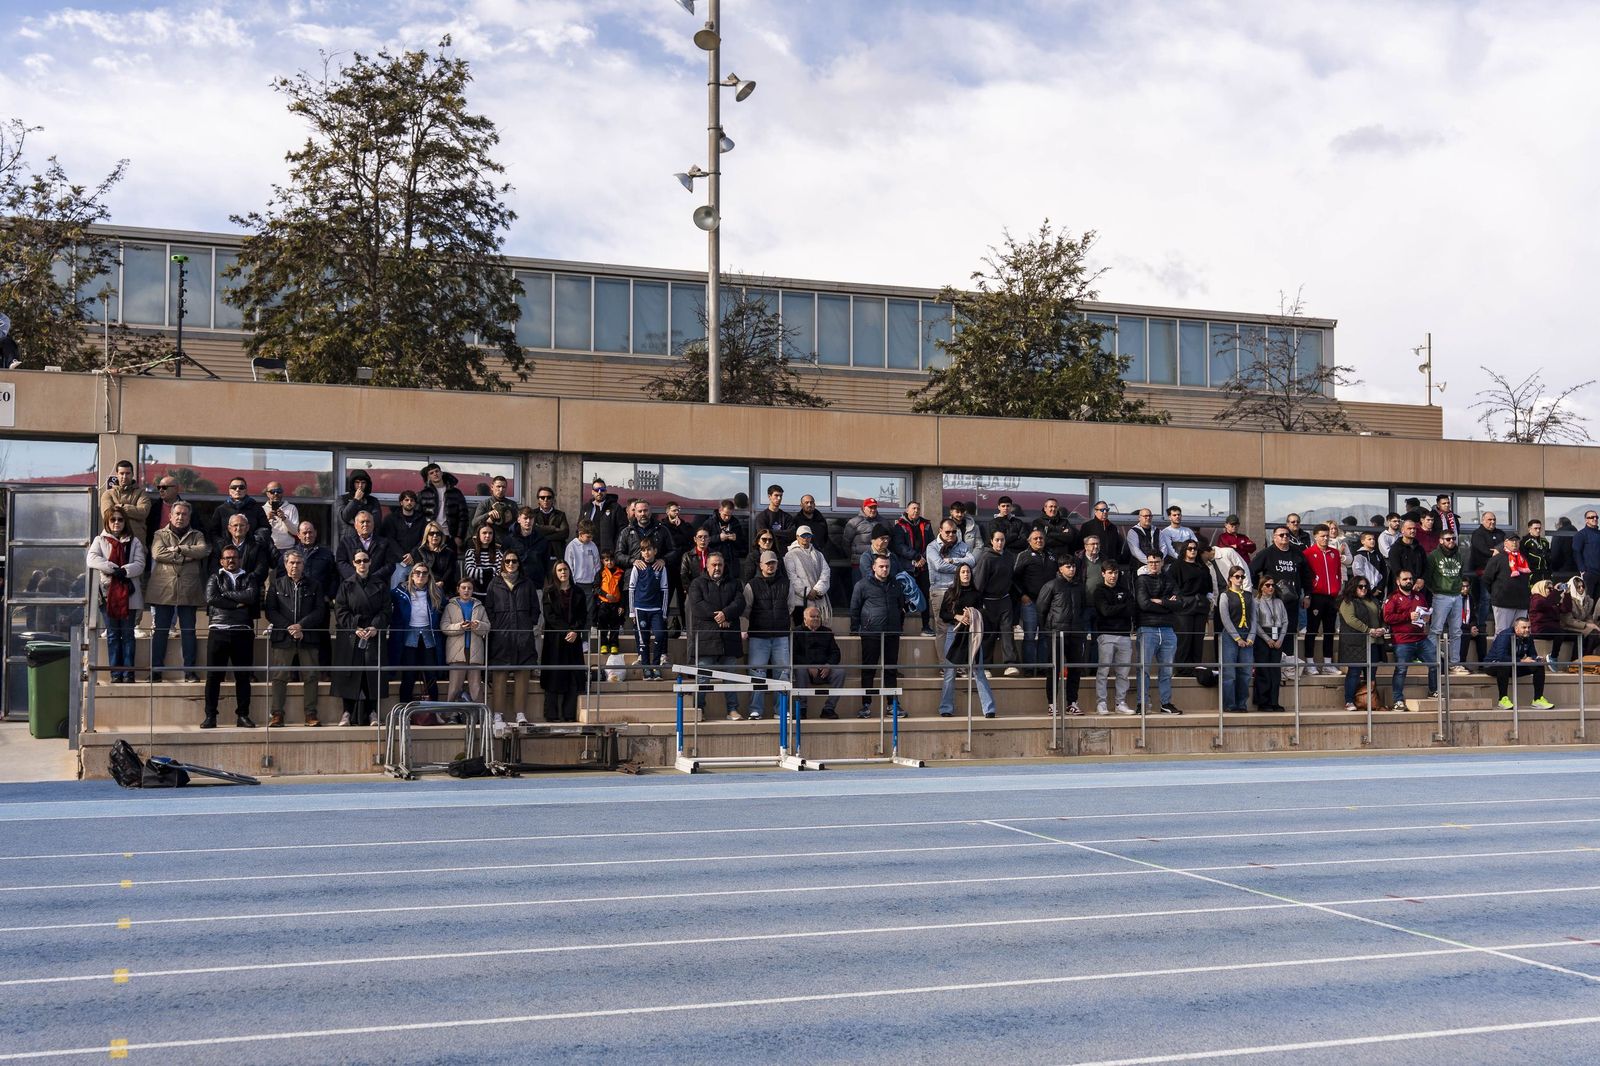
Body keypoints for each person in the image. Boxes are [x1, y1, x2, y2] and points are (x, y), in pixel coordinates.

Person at [263, 548, 327, 727]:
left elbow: (320, 611)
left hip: (308, 636)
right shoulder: (276, 584)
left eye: (298, 563)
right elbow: (270, 611)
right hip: (283, 637)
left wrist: (301, 626)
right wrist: (289, 627)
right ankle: (277, 715)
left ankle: (310, 714)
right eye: (291, 562)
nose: (295, 566)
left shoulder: (315, 585)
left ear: (303, 565)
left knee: (311, 676)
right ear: (285, 564)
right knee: (279, 676)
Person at [146, 501, 207, 682]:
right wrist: (185, 558)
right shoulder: (159, 534)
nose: (180, 517)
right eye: (177, 514)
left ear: (189, 517)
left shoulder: (197, 534)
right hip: (164, 589)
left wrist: (179, 549)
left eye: (184, 514)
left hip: (189, 588)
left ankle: (189, 672)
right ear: (171, 516)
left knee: (189, 631)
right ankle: (156, 671)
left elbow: (202, 550)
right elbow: (158, 554)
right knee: (161, 630)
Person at [87, 507, 146, 683]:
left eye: (120, 519)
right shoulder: (100, 540)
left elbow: (140, 564)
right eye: (113, 519)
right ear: (107, 521)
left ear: (125, 521)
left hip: (129, 595)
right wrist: (114, 569)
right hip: (107, 595)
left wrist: (124, 571)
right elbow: (92, 559)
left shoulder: (134, 541)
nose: (116, 523)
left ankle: (128, 674)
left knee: (128, 635)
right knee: (113, 635)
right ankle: (115, 674)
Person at [331, 550, 391, 726]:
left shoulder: (380, 584)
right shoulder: (346, 585)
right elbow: (340, 610)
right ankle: (347, 712)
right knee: (350, 673)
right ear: (353, 563)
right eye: (359, 561)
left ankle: (373, 712)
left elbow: (386, 610)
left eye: (365, 560)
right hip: (351, 635)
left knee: (372, 673)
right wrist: (354, 627)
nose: (362, 564)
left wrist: (375, 626)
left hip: (372, 634)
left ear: (370, 562)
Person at [202, 545, 259, 728]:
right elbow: (211, 598)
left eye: (234, 557)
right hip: (218, 630)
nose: (231, 560)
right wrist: (236, 604)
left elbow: (251, 596)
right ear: (221, 561)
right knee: (213, 676)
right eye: (227, 558)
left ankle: (243, 715)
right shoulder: (215, 577)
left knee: (243, 676)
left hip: (242, 631)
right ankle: (211, 715)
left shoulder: (249, 577)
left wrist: (225, 595)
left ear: (240, 559)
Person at [687, 551, 745, 720]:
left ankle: (732, 710)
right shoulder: (697, 583)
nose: (717, 568)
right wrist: (719, 618)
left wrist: (726, 613)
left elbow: (740, 602)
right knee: (703, 679)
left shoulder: (734, 583)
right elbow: (697, 606)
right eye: (714, 564)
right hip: (706, 641)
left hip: (729, 641)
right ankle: (699, 710)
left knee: (730, 678)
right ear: (706, 565)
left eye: (720, 564)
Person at [938, 561, 998, 718]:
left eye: (968, 572)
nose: (966, 574)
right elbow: (943, 615)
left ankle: (989, 709)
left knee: (978, 671)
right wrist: (957, 616)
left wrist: (971, 615)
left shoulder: (977, 594)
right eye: (963, 572)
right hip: (954, 633)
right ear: (958, 574)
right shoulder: (950, 593)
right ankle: (946, 708)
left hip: (972, 634)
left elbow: (983, 614)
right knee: (950, 672)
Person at [851, 554, 906, 718]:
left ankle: (892, 705)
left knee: (890, 669)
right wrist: (855, 629)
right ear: (874, 567)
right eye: (881, 566)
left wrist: (898, 626)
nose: (884, 569)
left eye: (887, 566)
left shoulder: (896, 585)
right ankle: (866, 705)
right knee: (869, 670)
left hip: (892, 634)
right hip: (871, 634)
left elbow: (900, 607)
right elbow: (854, 608)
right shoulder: (862, 585)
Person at [486, 552, 540, 715]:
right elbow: (489, 608)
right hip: (500, 637)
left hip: (523, 636)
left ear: (518, 563)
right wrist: (496, 625)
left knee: (522, 675)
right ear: (503, 563)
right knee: (499, 675)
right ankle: (498, 715)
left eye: (514, 561)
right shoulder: (494, 584)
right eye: (507, 561)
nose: (511, 563)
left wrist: (528, 623)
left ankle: (520, 714)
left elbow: (535, 608)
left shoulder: (527, 582)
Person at [1251, 527, 1311, 667]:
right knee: (1273, 631)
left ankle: (1288, 661)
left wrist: (1307, 595)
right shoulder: (1266, 553)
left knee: (1289, 630)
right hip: (1272, 601)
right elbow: (1251, 571)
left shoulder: (1297, 553)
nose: (1285, 537)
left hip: (1292, 601)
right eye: (1281, 535)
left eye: (1287, 535)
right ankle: (1272, 663)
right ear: (1274, 537)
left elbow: (1306, 576)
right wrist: (1260, 588)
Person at [743, 550, 791, 721]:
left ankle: (781, 710)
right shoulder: (751, 585)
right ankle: (755, 709)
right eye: (767, 563)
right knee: (757, 673)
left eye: (774, 563)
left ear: (777, 565)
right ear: (761, 565)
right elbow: (746, 610)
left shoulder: (786, 583)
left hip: (781, 635)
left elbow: (790, 606)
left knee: (783, 673)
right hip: (758, 635)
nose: (771, 566)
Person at [1037, 556, 1086, 716]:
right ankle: (1052, 703)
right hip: (1057, 633)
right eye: (1068, 566)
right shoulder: (1051, 585)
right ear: (1060, 569)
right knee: (1054, 669)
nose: (1071, 569)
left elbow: (1084, 608)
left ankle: (1072, 702)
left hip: (1076, 633)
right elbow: (1041, 609)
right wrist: (1047, 630)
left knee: (1075, 669)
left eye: (1073, 566)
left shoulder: (1079, 586)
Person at [540, 561, 588, 722]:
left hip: (573, 640)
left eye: (565, 569)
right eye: (560, 570)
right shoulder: (549, 592)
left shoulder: (578, 592)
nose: (563, 573)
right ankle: (551, 714)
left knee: (572, 676)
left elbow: (582, 615)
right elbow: (550, 616)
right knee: (553, 675)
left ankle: (569, 714)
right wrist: (566, 630)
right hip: (555, 640)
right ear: (555, 573)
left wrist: (575, 630)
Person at [1134, 553, 1182, 715]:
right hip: (1147, 628)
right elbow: (1144, 604)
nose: (1153, 565)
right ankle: (1142, 703)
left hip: (1168, 629)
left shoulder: (1169, 579)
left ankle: (1166, 703)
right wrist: (1169, 603)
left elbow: (1180, 603)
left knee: (1167, 670)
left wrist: (1161, 601)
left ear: (1162, 563)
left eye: (1156, 562)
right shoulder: (1141, 580)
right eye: (1150, 562)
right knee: (1144, 669)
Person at [1383, 570, 1438, 710]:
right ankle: (1397, 700)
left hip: (1420, 638)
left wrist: (1426, 618)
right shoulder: (1393, 597)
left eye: (1410, 579)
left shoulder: (1419, 596)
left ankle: (1433, 690)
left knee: (1435, 663)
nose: (1408, 581)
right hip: (1403, 640)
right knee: (1401, 669)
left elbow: (1425, 612)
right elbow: (1387, 617)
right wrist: (1408, 616)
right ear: (1398, 581)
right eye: (1405, 579)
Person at [390, 563, 443, 703]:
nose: (421, 575)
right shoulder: (400, 591)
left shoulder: (435, 592)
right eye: (417, 572)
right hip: (408, 637)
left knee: (431, 675)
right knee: (409, 675)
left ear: (428, 576)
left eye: (424, 573)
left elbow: (447, 605)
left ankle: (435, 712)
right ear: (412, 575)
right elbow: (386, 604)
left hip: (428, 637)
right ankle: (402, 711)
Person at [1338, 576, 1388, 711]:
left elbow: (1382, 616)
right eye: (1360, 586)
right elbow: (1350, 620)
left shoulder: (1373, 600)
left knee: (1371, 674)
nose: (1364, 589)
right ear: (1353, 587)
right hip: (1356, 643)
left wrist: (1383, 628)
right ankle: (1349, 700)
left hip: (1374, 641)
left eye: (1366, 586)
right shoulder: (1347, 601)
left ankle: (1370, 700)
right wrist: (1368, 630)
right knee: (1354, 672)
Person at [973, 527, 1019, 673]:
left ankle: (1010, 664)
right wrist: (978, 603)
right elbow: (979, 582)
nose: (1000, 543)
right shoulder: (986, 558)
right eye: (997, 540)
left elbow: (1012, 579)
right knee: (989, 634)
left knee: (1007, 632)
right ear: (991, 541)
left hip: (1004, 600)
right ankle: (986, 666)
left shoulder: (1009, 557)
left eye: (1002, 540)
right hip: (988, 600)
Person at [1092, 563, 1136, 715]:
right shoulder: (1099, 591)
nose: (1113, 576)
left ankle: (1120, 703)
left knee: (1123, 672)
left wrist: (1117, 609)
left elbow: (1131, 608)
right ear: (1103, 573)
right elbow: (1105, 611)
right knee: (1103, 671)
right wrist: (1122, 607)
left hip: (1124, 636)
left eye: (1116, 572)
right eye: (1110, 572)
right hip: (1106, 635)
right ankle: (1101, 703)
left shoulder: (1125, 590)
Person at [1484, 617, 1555, 710]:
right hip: (1493, 665)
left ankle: (1538, 700)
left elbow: (1532, 654)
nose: (1527, 630)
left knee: (1538, 666)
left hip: (1515, 665)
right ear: (1516, 628)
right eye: (1524, 627)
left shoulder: (1528, 637)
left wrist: (1536, 659)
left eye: (1529, 627)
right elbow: (1501, 657)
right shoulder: (1505, 635)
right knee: (1504, 664)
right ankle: (1502, 700)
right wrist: (1522, 661)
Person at [1425, 527, 1469, 675]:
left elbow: (1461, 574)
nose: (1451, 541)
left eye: (1453, 539)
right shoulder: (1433, 556)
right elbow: (1428, 577)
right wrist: (1436, 590)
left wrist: (1456, 589)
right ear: (1441, 540)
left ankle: (1454, 663)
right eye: (1448, 539)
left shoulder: (1459, 555)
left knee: (1456, 631)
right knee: (1436, 629)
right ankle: (1432, 661)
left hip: (1456, 596)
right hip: (1440, 596)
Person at [1013, 528, 1057, 674]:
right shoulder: (1023, 555)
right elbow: (1014, 578)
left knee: (1045, 636)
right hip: (1030, 602)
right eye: (1035, 538)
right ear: (1029, 541)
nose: (1039, 540)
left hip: (1048, 604)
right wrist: (1022, 595)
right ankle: (1029, 669)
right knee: (1030, 636)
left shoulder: (1051, 556)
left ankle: (1043, 668)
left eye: (1041, 538)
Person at [441, 578, 491, 703]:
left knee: (476, 687)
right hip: (456, 653)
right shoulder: (450, 607)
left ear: (473, 590)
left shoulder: (479, 607)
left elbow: (487, 627)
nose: (466, 590)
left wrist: (477, 625)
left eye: (469, 588)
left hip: (475, 651)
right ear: (458, 589)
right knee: (454, 687)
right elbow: (444, 627)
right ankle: (450, 715)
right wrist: (459, 626)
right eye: (463, 588)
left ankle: (479, 715)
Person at [1303, 525, 1344, 675]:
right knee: (1312, 630)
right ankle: (1310, 663)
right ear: (1315, 536)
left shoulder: (1334, 553)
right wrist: (1308, 594)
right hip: (1316, 596)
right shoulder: (1308, 553)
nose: (1325, 538)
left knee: (1329, 631)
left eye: (1327, 536)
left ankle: (1328, 663)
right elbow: (1306, 576)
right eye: (1322, 536)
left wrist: (1337, 588)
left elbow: (1338, 572)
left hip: (1331, 597)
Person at [1170, 539, 1213, 676]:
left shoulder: (1203, 567)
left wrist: (1208, 600)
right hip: (1184, 606)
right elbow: (1171, 584)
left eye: (1195, 548)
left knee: (1197, 638)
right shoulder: (1177, 566)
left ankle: (1196, 668)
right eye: (1189, 548)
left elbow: (1209, 586)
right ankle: (1182, 669)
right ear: (1184, 550)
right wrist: (1178, 598)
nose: (1193, 551)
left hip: (1200, 605)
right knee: (1185, 638)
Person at [1216, 566, 1256, 713]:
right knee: (1230, 673)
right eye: (1237, 576)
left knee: (1245, 673)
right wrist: (1237, 637)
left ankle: (1241, 703)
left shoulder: (1249, 595)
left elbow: (1253, 617)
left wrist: (1251, 637)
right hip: (1231, 635)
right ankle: (1229, 704)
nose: (1240, 579)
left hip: (1247, 634)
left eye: (1242, 577)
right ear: (1230, 578)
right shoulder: (1225, 595)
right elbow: (1225, 618)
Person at [793, 605, 845, 719]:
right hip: (806, 670)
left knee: (840, 672)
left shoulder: (827, 632)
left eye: (818, 616)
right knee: (799, 670)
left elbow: (835, 653)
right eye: (813, 617)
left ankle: (828, 709)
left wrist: (828, 665)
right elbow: (793, 655)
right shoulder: (796, 632)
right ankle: (801, 708)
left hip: (824, 669)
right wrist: (808, 666)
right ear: (804, 619)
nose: (816, 619)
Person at [925, 520, 974, 637]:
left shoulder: (962, 545)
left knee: (960, 627)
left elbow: (972, 561)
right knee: (943, 628)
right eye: (947, 532)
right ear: (940, 531)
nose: (951, 534)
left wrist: (954, 560)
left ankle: (957, 655)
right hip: (940, 590)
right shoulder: (932, 547)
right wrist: (961, 569)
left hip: (958, 590)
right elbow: (939, 566)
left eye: (954, 532)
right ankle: (944, 656)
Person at [891, 501, 934, 635]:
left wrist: (922, 559)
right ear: (907, 510)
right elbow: (899, 546)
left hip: (923, 566)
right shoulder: (900, 526)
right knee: (904, 596)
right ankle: (900, 627)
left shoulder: (926, 525)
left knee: (924, 596)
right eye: (913, 508)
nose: (916, 511)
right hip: (907, 567)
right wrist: (915, 557)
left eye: (918, 508)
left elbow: (931, 544)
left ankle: (926, 626)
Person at [629, 540, 669, 681]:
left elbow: (665, 590)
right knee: (643, 639)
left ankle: (656, 666)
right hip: (640, 608)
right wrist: (632, 612)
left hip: (656, 609)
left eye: (649, 549)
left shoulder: (661, 567)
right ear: (641, 552)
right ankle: (646, 668)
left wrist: (664, 612)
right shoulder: (637, 567)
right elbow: (631, 589)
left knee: (659, 636)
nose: (646, 553)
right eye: (644, 550)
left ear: (655, 551)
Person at [1482, 530, 1532, 637]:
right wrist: (1497, 593)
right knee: (1502, 633)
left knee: (1520, 634)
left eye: (1517, 541)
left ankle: (1515, 654)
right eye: (1512, 540)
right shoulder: (1497, 559)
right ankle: (1499, 654)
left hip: (1521, 603)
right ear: (1505, 543)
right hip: (1503, 602)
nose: (1515, 543)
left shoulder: (1523, 559)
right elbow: (1486, 579)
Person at [1252, 577, 1289, 713]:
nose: (1271, 588)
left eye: (1272, 585)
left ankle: (1274, 701)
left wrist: (1280, 639)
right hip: (1263, 637)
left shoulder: (1279, 602)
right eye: (1267, 585)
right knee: (1264, 671)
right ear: (1261, 587)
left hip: (1277, 635)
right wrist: (1267, 639)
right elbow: (1255, 623)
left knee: (1275, 672)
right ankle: (1263, 702)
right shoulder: (1256, 602)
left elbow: (1285, 621)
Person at [337, 509, 400, 587]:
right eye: (362, 522)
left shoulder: (384, 543)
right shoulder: (346, 542)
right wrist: (357, 578)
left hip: (377, 587)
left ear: (373, 524)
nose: (365, 524)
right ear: (355, 525)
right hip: (353, 586)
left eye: (368, 521)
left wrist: (372, 579)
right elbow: (341, 562)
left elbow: (390, 564)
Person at [661, 501, 697, 634]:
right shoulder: (663, 526)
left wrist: (680, 526)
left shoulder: (685, 526)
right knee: (666, 597)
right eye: (673, 510)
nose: (676, 513)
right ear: (667, 511)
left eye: (678, 510)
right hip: (668, 567)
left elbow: (691, 539)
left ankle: (686, 626)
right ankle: (662, 625)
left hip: (682, 567)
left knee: (683, 598)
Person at [785, 525, 832, 625]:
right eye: (803, 535)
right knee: (801, 631)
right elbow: (792, 577)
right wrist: (806, 593)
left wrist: (816, 590)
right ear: (797, 537)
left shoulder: (818, 554)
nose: (806, 538)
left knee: (817, 631)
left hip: (817, 599)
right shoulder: (791, 555)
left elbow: (826, 573)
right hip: (799, 602)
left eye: (808, 535)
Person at [99, 460, 152, 544]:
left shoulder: (141, 493)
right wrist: (133, 511)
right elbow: (107, 515)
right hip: (113, 542)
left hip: (137, 541)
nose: (124, 476)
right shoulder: (108, 494)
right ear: (117, 475)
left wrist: (120, 506)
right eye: (122, 473)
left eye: (127, 473)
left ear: (132, 474)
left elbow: (143, 512)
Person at [417, 463, 468, 549]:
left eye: (437, 471)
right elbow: (418, 517)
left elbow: (463, 516)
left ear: (441, 473)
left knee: (450, 562)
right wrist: (423, 535)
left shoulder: (455, 492)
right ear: (429, 477)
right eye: (431, 473)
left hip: (450, 536)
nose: (435, 474)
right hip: (431, 536)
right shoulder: (423, 494)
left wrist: (459, 536)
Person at [214, 512, 271, 589]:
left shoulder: (257, 545)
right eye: (235, 525)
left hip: (249, 587)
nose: (238, 528)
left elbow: (261, 569)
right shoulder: (220, 545)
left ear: (247, 528)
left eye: (242, 525)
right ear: (229, 528)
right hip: (224, 587)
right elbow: (213, 567)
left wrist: (245, 580)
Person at [501, 507, 551, 590]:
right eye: (525, 518)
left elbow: (546, 563)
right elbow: (502, 562)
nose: (528, 521)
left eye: (531, 518)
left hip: (537, 585)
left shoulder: (542, 540)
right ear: (519, 519)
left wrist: (547, 583)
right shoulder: (509, 540)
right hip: (515, 585)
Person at [1528, 579, 1570, 666]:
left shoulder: (1550, 600)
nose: (1551, 591)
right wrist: (1555, 590)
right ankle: (1553, 657)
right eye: (1549, 589)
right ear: (1541, 588)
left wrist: (1567, 594)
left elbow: (1566, 609)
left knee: (1577, 636)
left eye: (1552, 589)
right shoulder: (1536, 599)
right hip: (1539, 629)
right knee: (1559, 633)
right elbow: (1545, 604)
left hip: (1553, 628)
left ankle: (1575, 661)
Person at [407, 522, 458, 592]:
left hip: (443, 586)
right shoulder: (418, 551)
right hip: (423, 585)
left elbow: (450, 571)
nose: (435, 536)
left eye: (438, 533)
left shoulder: (449, 552)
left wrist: (442, 582)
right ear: (426, 535)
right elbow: (418, 571)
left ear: (441, 536)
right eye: (431, 533)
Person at [460, 522, 505, 598]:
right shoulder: (471, 552)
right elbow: (471, 572)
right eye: (484, 533)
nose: (487, 536)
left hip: (494, 594)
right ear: (478, 535)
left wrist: (480, 573)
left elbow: (501, 573)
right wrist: (491, 571)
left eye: (490, 533)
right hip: (474, 595)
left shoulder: (498, 553)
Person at [700, 497, 748, 569]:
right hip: (715, 561)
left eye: (729, 515)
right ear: (720, 510)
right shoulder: (710, 523)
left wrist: (736, 538)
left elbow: (743, 544)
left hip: (731, 561)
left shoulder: (735, 523)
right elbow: (702, 541)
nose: (727, 518)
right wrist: (718, 538)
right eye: (725, 515)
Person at [580, 476, 623, 557]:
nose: (599, 492)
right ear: (592, 492)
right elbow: (579, 528)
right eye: (596, 490)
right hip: (588, 551)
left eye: (602, 490)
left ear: (606, 491)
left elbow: (622, 530)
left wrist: (614, 547)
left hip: (608, 555)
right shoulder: (586, 508)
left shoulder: (615, 507)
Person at [1560, 574, 1600, 659]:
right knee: (1592, 633)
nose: (1581, 589)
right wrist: (1587, 625)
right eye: (1578, 587)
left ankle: (1586, 657)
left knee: (1596, 632)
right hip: (1569, 626)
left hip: (1582, 625)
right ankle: (1582, 659)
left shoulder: (1588, 600)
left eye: (1582, 586)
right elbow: (1568, 620)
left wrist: (1592, 625)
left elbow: (1588, 616)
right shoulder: (1566, 599)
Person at [379, 490, 428, 560]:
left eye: (412, 500)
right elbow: (390, 540)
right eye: (406, 500)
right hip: (395, 559)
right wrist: (402, 556)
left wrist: (412, 554)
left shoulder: (422, 519)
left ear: (415, 503)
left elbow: (423, 539)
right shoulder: (391, 519)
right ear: (401, 502)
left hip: (416, 559)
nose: (409, 502)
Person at [594, 550, 626, 655]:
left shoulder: (621, 573)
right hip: (603, 603)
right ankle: (603, 644)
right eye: (606, 560)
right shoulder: (600, 573)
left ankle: (614, 645)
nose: (609, 562)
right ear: (602, 561)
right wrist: (605, 595)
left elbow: (623, 591)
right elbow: (596, 588)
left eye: (611, 560)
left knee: (615, 625)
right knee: (602, 625)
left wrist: (622, 605)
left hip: (616, 604)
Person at [338, 470, 382, 539]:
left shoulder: (373, 501)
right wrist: (355, 500)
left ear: (367, 484)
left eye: (363, 483)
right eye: (357, 482)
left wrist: (355, 520)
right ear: (352, 483)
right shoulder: (343, 499)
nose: (360, 485)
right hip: (349, 540)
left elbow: (376, 521)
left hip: (368, 539)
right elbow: (345, 517)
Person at [753, 484, 795, 553]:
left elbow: (792, 534)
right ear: (769, 497)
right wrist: (783, 534)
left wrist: (771, 531)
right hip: (767, 553)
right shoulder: (761, 517)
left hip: (784, 553)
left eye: (781, 496)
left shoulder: (787, 517)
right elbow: (763, 535)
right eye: (776, 495)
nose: (779, 498)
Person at [530, 486, 571, 557]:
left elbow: (565, 533)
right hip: (537, 552)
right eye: (542, 497)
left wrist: (545, 537)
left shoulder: (560, 515)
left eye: (549, 497)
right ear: (538, 500)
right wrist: (554, 529)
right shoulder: (533, 514)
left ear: (553, 499)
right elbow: (533, 531)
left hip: (556, 553)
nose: (545, 500)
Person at [261, 481, 301, 554]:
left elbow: (295, 532)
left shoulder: (291, 508)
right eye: (272, 491)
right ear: (267, 494)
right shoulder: (262, 509)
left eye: (278, 491)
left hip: (288, 549)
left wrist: (284, 519)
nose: (276, 494)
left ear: (282, 493)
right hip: (268, 548)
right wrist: (267, 518)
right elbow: (258, 531)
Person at [1522, 519, 1554, 584]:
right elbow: (1523, 558)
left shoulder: (1544, 541)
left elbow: (1549, 558)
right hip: (1533, 575)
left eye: (1539, 528)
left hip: (1546, 574)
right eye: (1535, 528)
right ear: (1529, 529)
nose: (1538, 530)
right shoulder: (1525, 542)